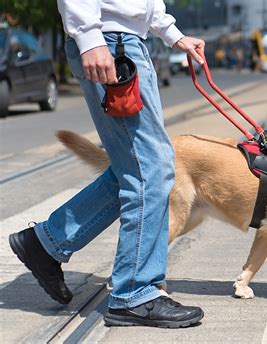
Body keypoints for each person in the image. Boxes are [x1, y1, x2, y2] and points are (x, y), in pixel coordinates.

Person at [8, 0, 205, 328]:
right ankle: (134, 293)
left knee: (144, 167)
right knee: (150, 169)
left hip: (126, 43)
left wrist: (171, 33)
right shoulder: (99, 39)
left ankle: (46, 243)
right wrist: (90, 37)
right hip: (111, 44)